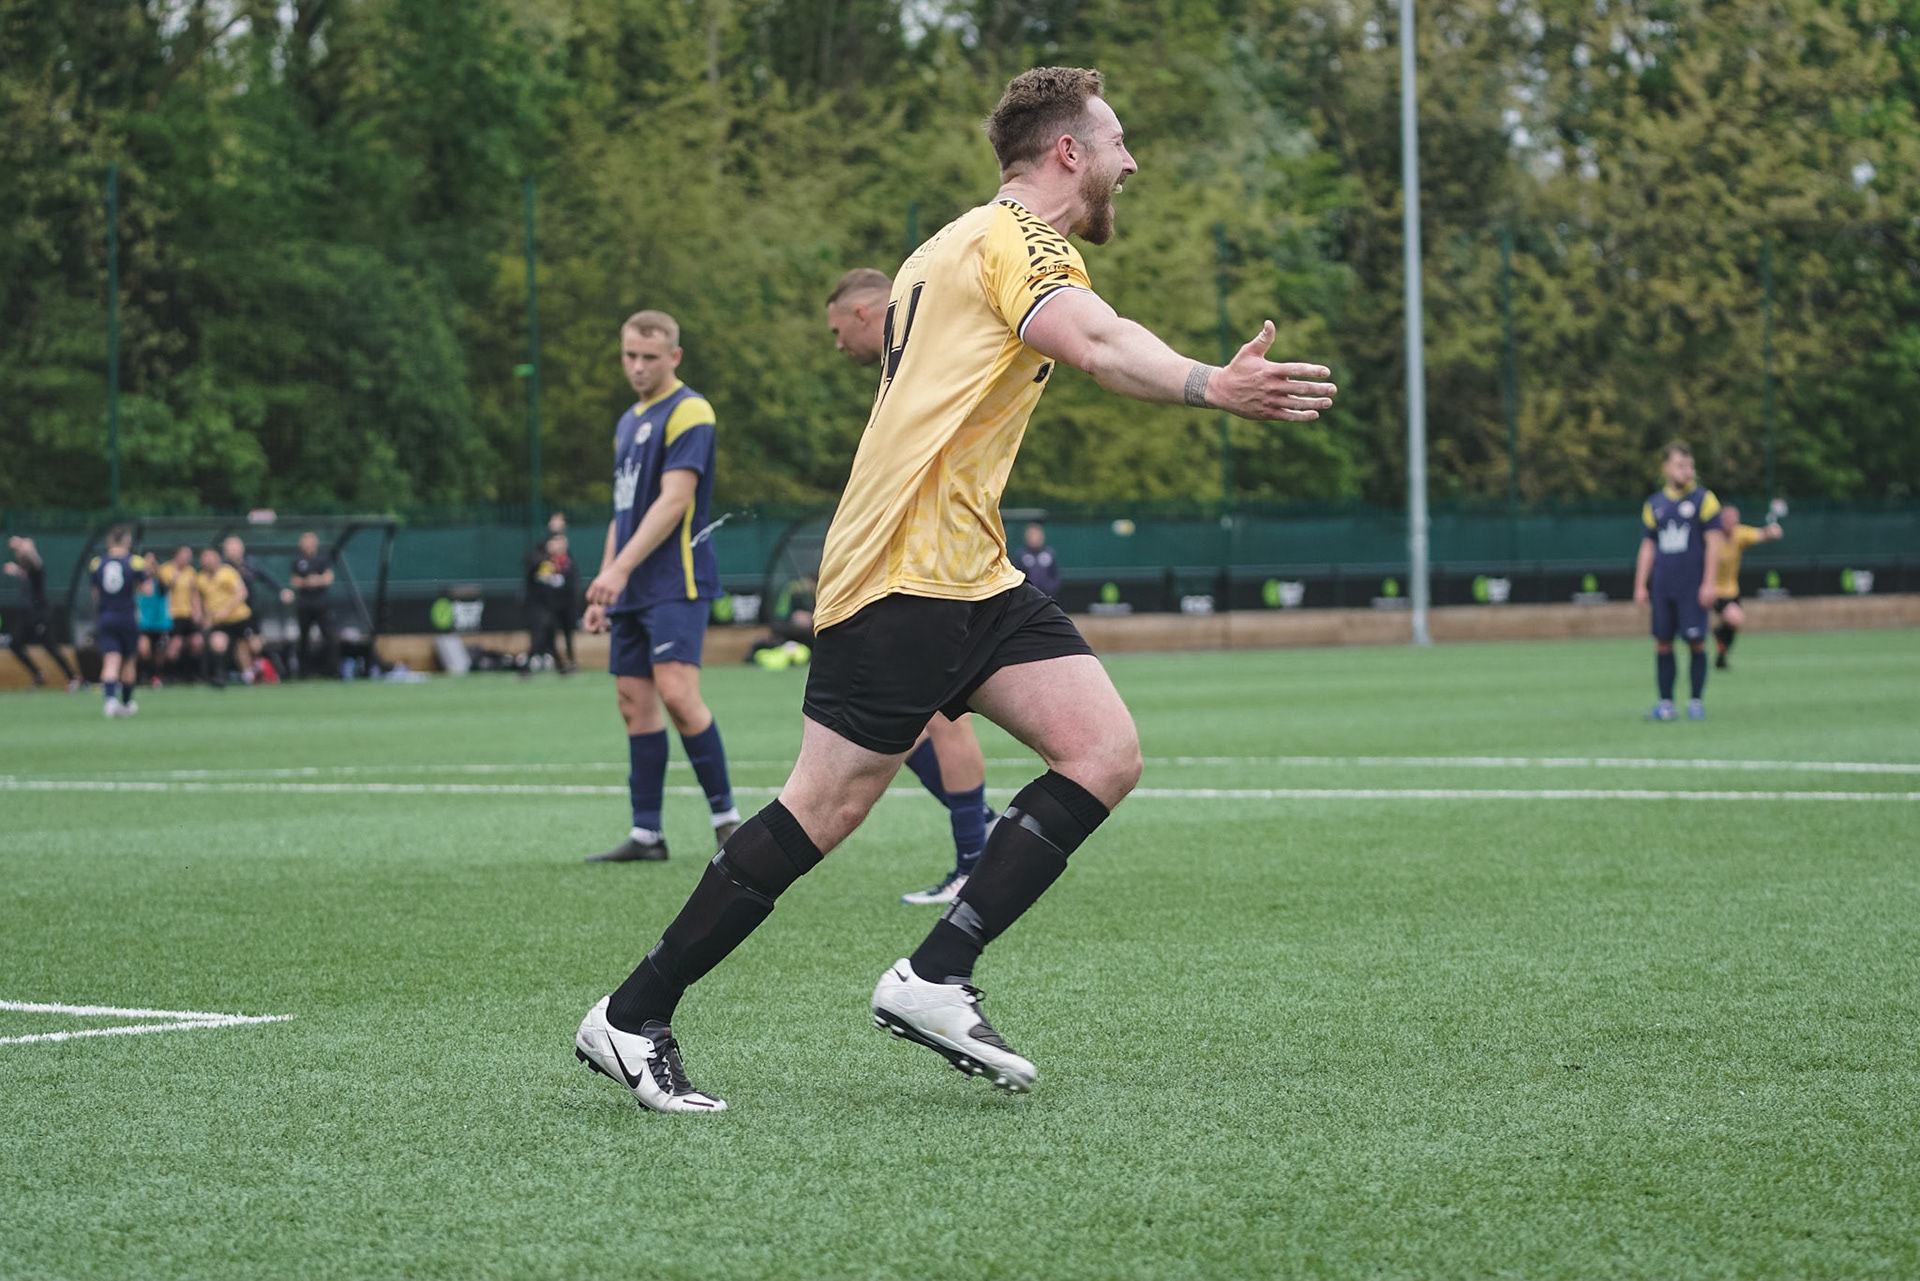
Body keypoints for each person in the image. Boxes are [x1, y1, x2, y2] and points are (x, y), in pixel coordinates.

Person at [572, 67, 1337, 1112]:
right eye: (1117, 142)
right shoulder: (1021, 241)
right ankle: (632, 1013)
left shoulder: (945, 244)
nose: (1131, 163)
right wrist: (1214, 383)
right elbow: (1096, 340)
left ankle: (935, 974)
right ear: (1068, 151)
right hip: (904, 569)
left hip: (968, 568)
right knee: (823, 807)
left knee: (1103, 751)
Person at [825, 267, 999, 906]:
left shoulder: (928, 346)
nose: (837, 344)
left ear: (863, 314)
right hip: (916, 556)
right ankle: (982, 832)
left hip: (941, 558)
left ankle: (975, 860)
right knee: (910, 720)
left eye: (837, 330)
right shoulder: (904, 366)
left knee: (943, 716)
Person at [580, 310, 741, 863]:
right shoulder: (628, 421)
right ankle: (647, 834)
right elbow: (622, 511)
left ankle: (727, 822)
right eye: (630, 355)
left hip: (677, 578)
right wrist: (607, 582)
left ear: (674, 356)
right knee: (633, 702)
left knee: (677, 694)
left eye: (650, 357)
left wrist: (620, 570)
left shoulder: (690, 409)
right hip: (631, 583)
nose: (638, 366)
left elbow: (675, 500)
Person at [1632, 441, 1723, 721]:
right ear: (1666, 468)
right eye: (1681, 465)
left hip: (1692, 586)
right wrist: (1640, 585)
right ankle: (1666, 705)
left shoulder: (1705, 500)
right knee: (1663, 643)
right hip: (1663, 586)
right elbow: (1648, 547)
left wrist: (1709, 583)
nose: (1687, 471)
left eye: (1690, 465)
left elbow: (1714, 543)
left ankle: (1695, 702)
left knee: (1696, 642)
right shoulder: (1654, 504)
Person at [1711, 505, 1782, 669]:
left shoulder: (1739, 534)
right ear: (1720, 519)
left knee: (1734, 623)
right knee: (1735, 619)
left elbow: (1762, 534)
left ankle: (1721, 654)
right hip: (1713, 590)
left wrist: (1772, 532)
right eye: (1728, 518)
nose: (1732, 521)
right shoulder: (1711, 537)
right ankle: (1718, 639)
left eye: (1735, 518)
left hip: (1731, 590)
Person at [88, 527, 149, 717]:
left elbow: (96, 594)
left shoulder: (97, 563)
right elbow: (147, 590)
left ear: (109, 542)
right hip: (126, 617)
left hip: (106, 617)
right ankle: (127, 703)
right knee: (129, 660)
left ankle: (110, 702)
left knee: (111, 660)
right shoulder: (135, 562)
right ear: (127, 541)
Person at [5, 535, 78, 689]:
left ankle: (72, 677)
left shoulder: (36, 570)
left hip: (41, 616)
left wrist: (24, 546)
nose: (20, 553)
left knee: (50, 647)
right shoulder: (24, 571)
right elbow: (23, 572)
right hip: (26, 616)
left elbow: (35, 561)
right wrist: (16, 568)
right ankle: (37, 674)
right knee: (14, 644)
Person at [222, 535, 292, 681]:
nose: (233, 550)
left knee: (256, 645)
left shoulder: (250, 563)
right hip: (231, 614)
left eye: (235, 547)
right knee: (240, 643)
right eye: (230, 547)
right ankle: (247, 674)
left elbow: (265, 577)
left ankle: (265, 667)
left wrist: (280, 591)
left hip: (250, 611)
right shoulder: (222, 567)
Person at [195, 545, 252, 689]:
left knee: (243, 647)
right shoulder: (200, 578)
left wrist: (226, 610)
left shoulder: (228, 572)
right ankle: (220, 676)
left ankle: (248, 675)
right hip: (219, 622)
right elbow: (204, 601)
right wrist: (206, 617)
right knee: (217, 643)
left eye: (211, 557)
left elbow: (242, 593)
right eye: (205, 558)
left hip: (239, 618)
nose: (208, 560)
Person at [524, 532, 578, 675]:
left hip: (563, 604)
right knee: (543, 634)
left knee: (560, 634)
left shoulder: (568, 560)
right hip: (542, 606)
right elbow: (531, 571)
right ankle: (530, 665)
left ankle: (566, 663)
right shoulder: (540, 558)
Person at [289, 531, 338, 679]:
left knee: (329, 636)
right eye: (304, 542)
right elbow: (294, 581)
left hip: (322, 605)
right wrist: (306, 582)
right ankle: (303, 672)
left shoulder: (323, 557)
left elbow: (329, 578)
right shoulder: (297, 559)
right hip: (304, 605)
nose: (307, 545)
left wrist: (316, 580)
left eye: (310, 542)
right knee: (304, 638)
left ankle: (333, 671)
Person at [155, 545, 199, 682]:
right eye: (184, 554)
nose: (187, 558)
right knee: (175, 644)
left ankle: (191, 673)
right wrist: (174, 578)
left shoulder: (191, 571)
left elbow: (194, 593)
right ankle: (169, 675)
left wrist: (197, 611)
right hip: (172, 615)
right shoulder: (165, 569)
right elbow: (162, 590)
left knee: (197, 642)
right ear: (177, 555)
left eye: (189, 555)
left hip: (188, 614)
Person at [1014, 522, 1060, 597]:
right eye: (1031, 535)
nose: (1034, 538)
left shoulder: (1049, 554)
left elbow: (1055, 575)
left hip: (1047, 595)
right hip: (1027, 596)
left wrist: (1050, 588)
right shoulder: (1021, 555)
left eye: (1037, 534)